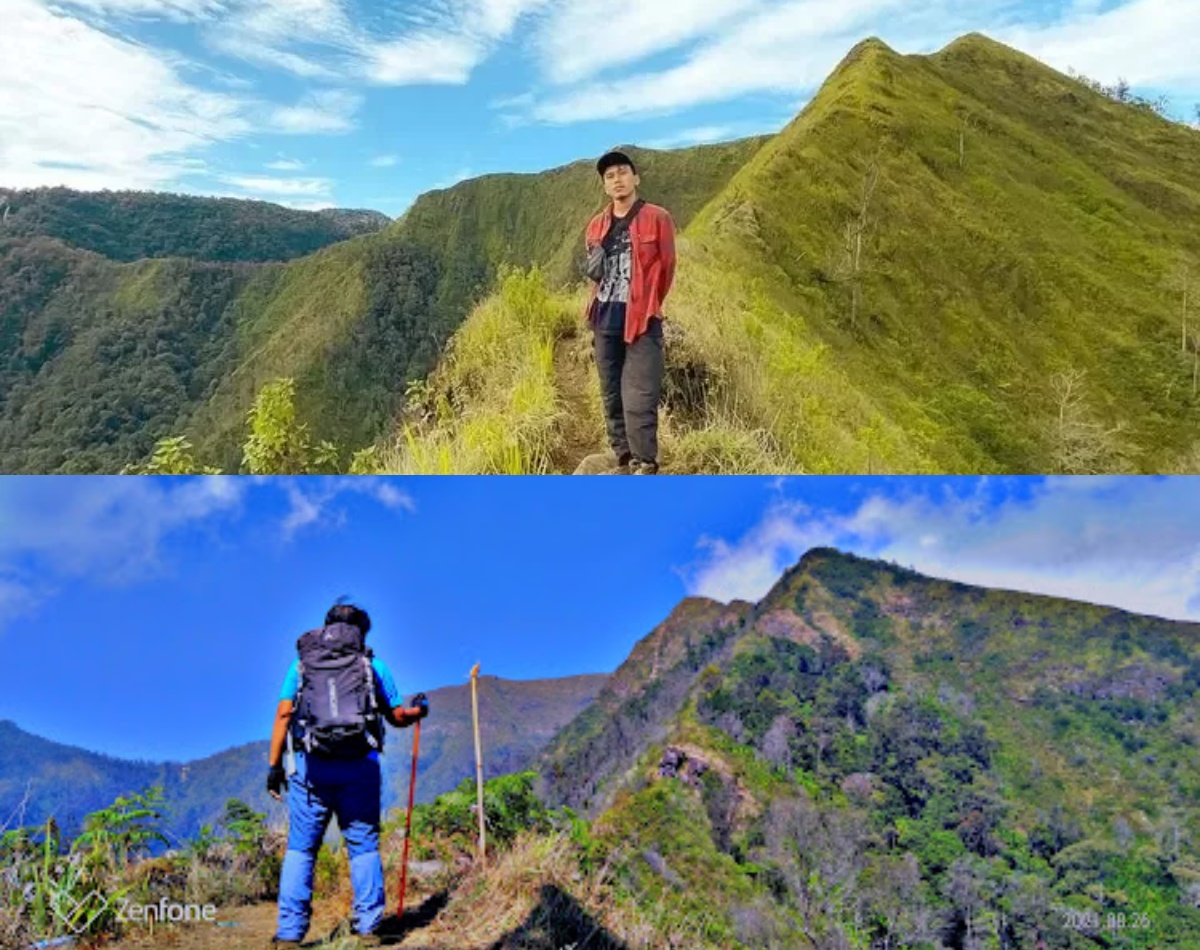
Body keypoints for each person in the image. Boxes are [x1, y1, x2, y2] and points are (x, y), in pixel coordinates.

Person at [266, 601, 428, 948]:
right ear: (361, 632)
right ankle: (368, 928)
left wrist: (273, 766)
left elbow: (283, 715)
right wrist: (419, 711)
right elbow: (396, 717)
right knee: (363, 846)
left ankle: (289, 935)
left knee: (301, 849)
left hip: (311, 770)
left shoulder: (302, 665)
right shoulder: (373, 666)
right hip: (360, 767)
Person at [583, 148, 677, 474]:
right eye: (610, 176)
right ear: (605, 186)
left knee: (639, 396)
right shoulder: (596, 225)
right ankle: (623, 457)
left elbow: (666, 268)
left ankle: (645, 462)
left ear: (635, 178)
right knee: (611, 393)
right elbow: (595, 270)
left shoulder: (657, 218)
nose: (617, 180)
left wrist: (649, 302)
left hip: (641, 319)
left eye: (623, 172)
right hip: (604, 316)